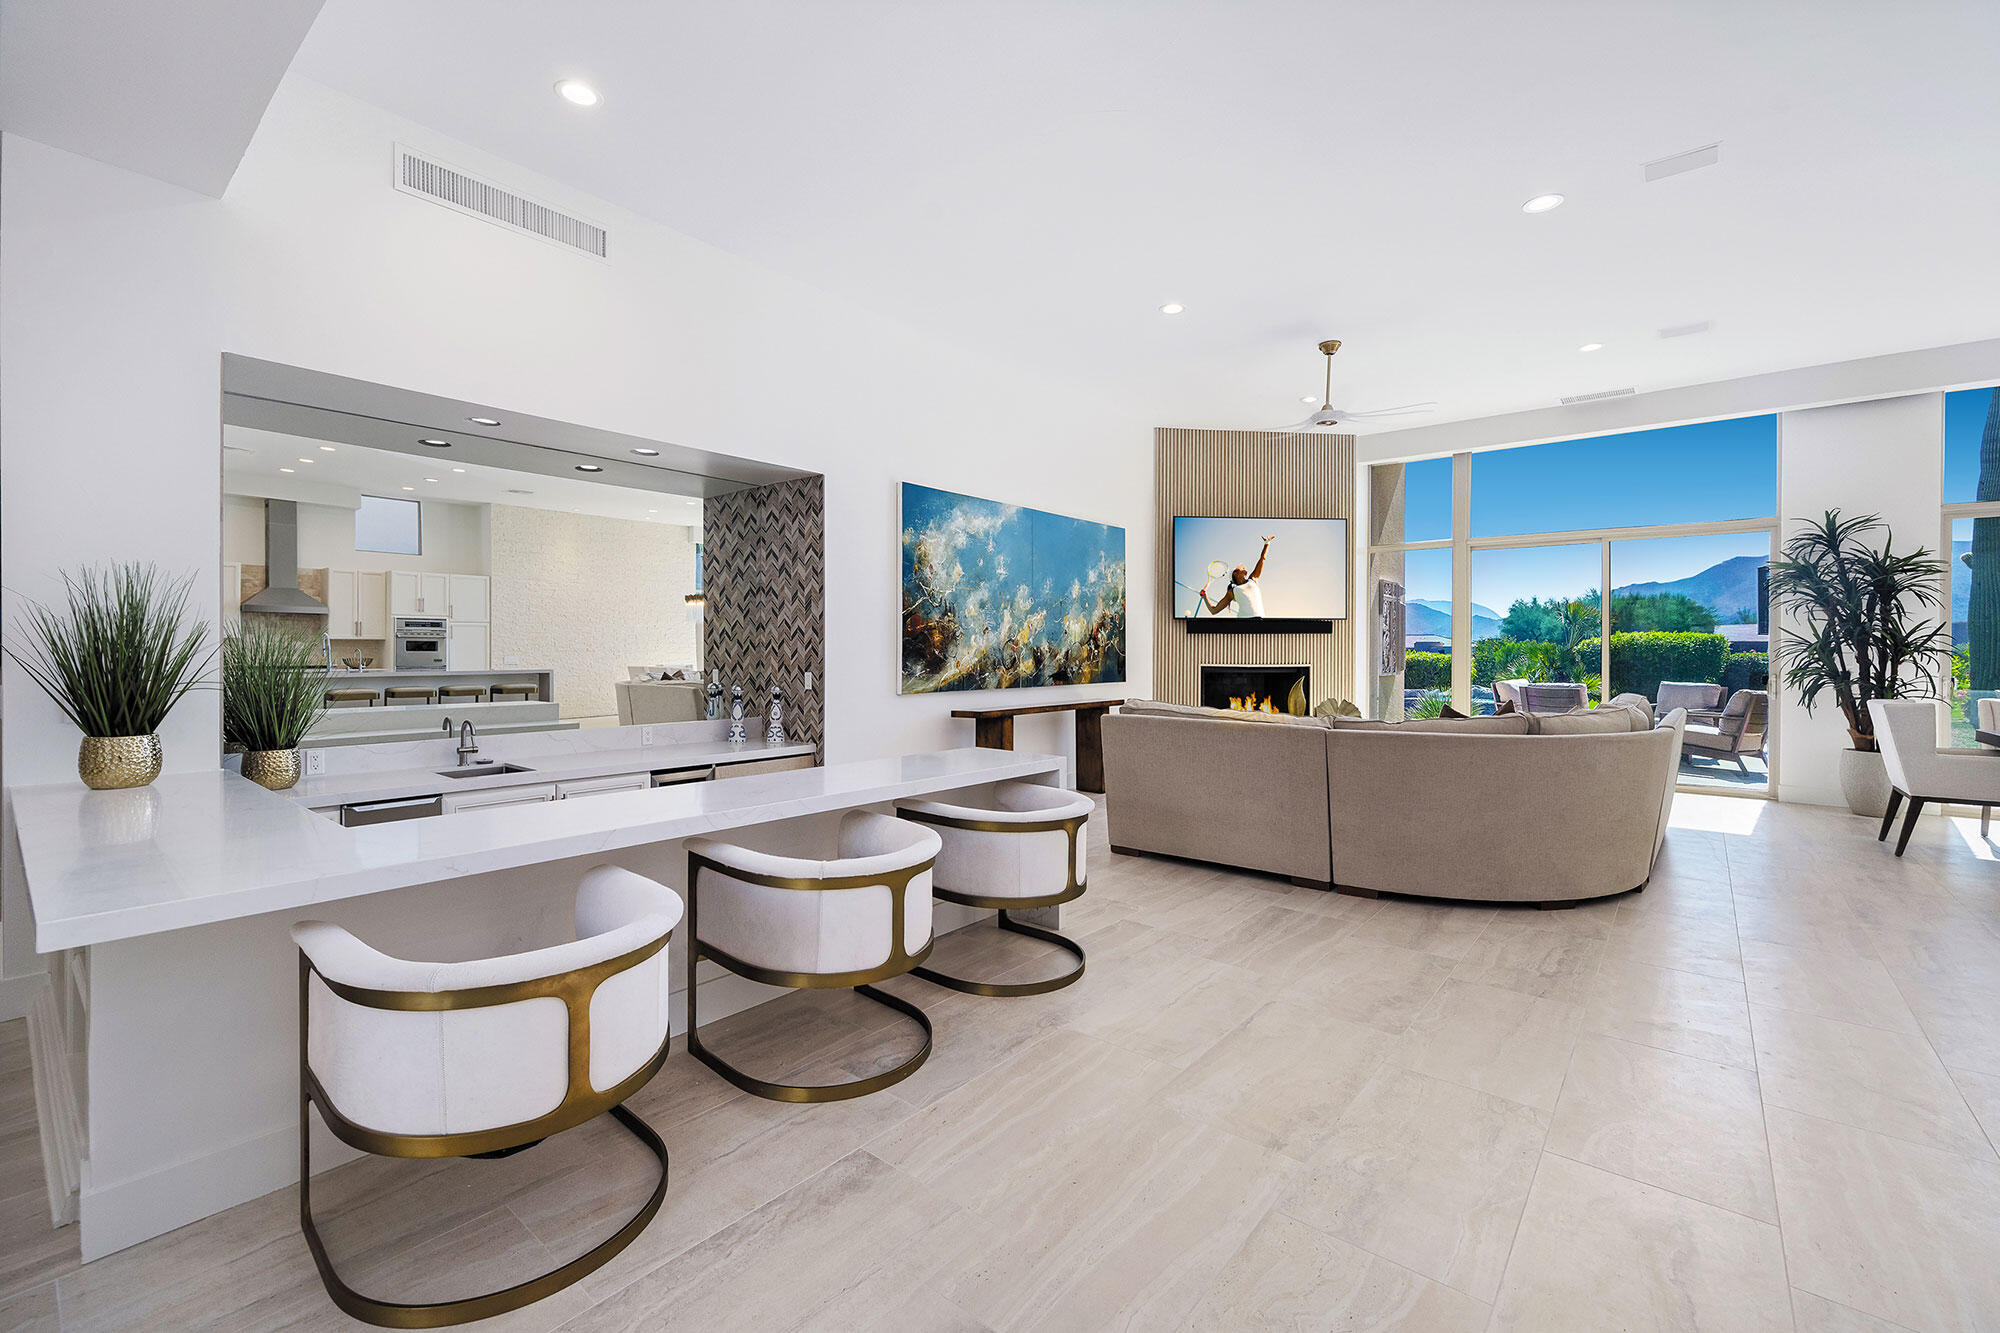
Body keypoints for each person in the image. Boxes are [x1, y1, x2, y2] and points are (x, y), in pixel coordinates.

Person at [1198, 535, 1275, 618]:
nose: (1243, 567)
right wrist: (1205, 597)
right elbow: (1214, 610)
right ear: (1235, 574)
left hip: (1260, 620)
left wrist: (1266, 543)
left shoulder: (1253, 579)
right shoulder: (1232, 591)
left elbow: (1262, 558)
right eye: (1241, 567)